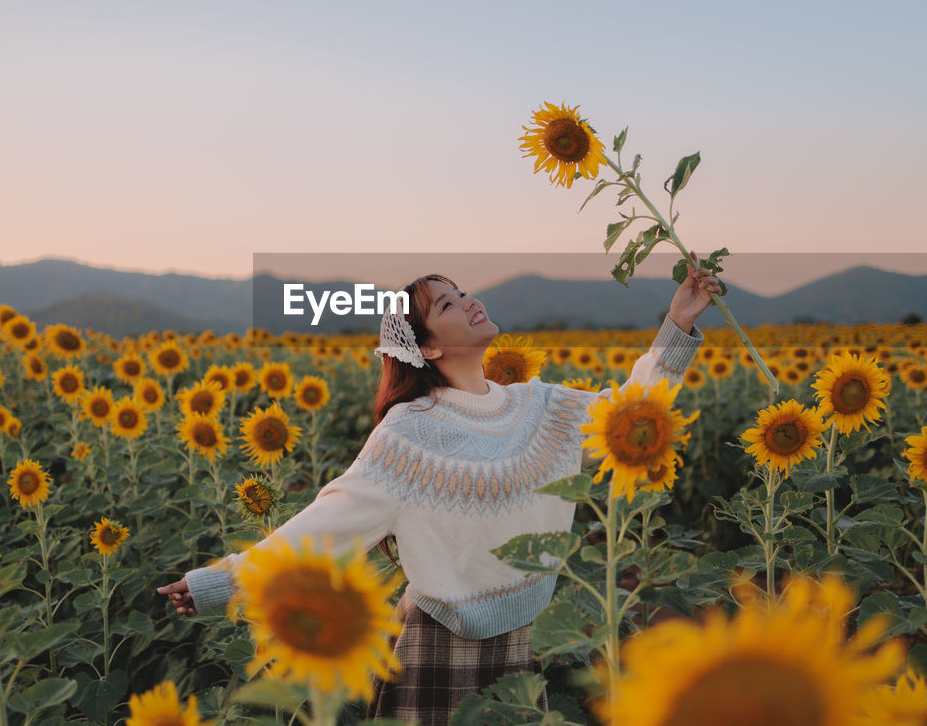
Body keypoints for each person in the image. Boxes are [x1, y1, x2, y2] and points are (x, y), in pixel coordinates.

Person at [157, 259, 722, 725]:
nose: (469, 301)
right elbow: (327, 525)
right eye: (447, 305)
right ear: (426, 349)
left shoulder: (541, 406)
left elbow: (628, 416)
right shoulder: (410, 432)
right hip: (437, 648)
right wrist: (223, 580)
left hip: (524, 647)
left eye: (461, 292)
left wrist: (676, 325)